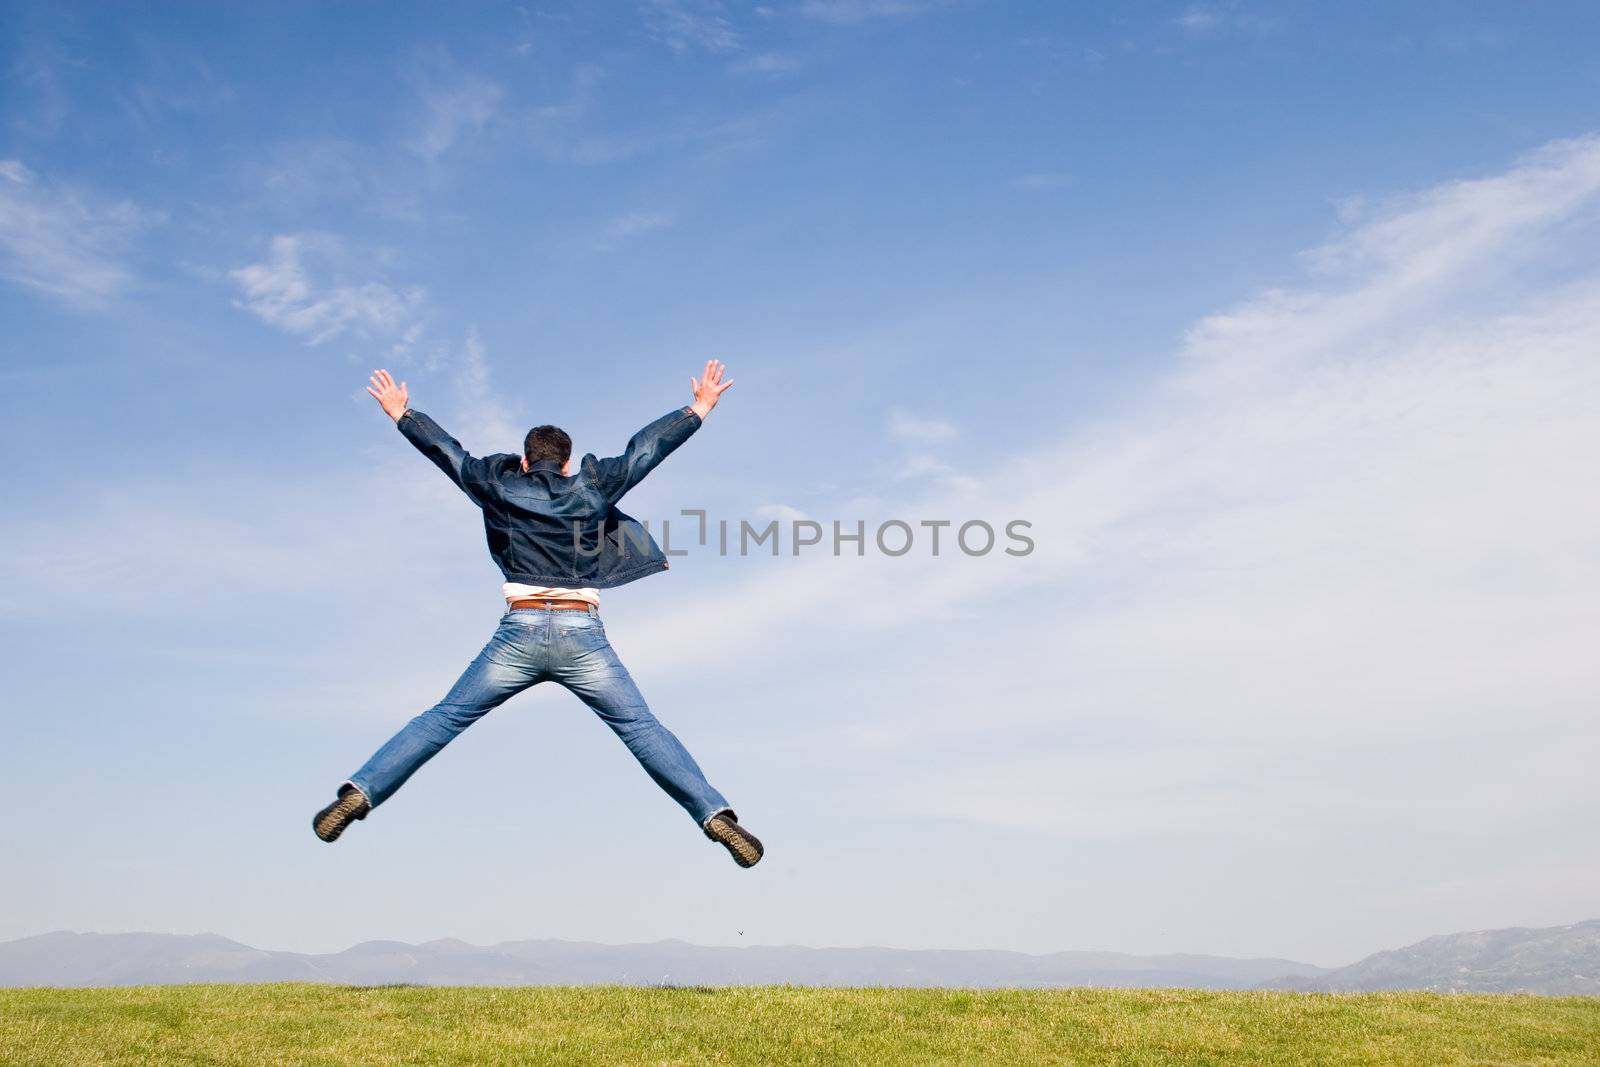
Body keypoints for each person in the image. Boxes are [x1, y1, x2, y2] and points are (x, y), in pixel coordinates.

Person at [311, 361, 762, 868]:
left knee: (443, 718)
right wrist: (697, 408)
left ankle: (361, 792)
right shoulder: (592, 485)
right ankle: (713, 814)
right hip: (581, 633)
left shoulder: (498, 486)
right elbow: (644, 452)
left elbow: (450, 456)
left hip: (518, 632)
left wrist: (404, 415)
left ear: (525, 462)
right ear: (567, 464)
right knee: (640, 728)